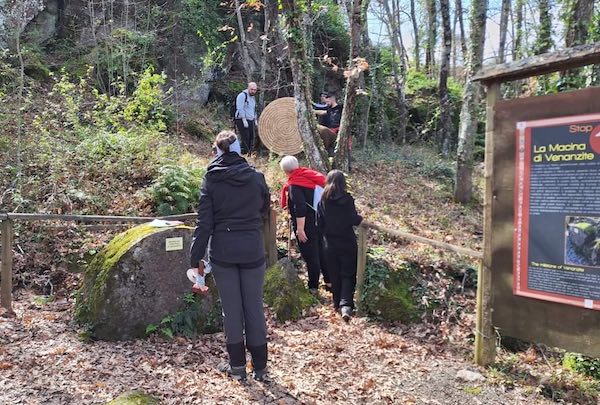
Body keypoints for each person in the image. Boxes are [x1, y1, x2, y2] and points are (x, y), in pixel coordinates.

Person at [190, 130, 270, 381]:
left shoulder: (211, 180)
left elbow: (204, 223)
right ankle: (260, 368)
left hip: (223, 251)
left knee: (232, 310)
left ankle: (237, 367)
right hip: (252, 248)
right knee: (254, 308)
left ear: (217, 150)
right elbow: (264, 208)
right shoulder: (256, 177)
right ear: (239, 151)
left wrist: (195, 258)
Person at [280, 156, 330, 294]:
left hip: (307, 224)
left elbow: (300, 207)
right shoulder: (309, 176)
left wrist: (300, 229)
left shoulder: (295, 184)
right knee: (321, 250)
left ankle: (313, 287)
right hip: (321, 220)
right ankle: (329, 281)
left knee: (310, 255)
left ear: (286, 171)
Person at [317, 170, 362, 322]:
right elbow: (353, 219)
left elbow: (319, 223)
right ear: (343, 183)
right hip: (347, 241)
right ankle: (346, 305)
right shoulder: (347, 199)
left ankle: (337, 303)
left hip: (330, 243)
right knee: (348, 273)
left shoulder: (322, 200)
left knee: (334, 273)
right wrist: (360, 218)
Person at [234, 82, 258, 154]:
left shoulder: (253, 98)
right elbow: (240, 108)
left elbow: (253, 109)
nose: (253, 91)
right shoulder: (242, 96)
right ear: (248, 88)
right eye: (252, 89)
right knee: (245, 137)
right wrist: (244, 119)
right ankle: (243, 154)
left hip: (251, 120)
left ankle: (249, 154)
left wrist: (255, 119)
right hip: (241, 119)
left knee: (251, 138)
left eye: (255, 90)